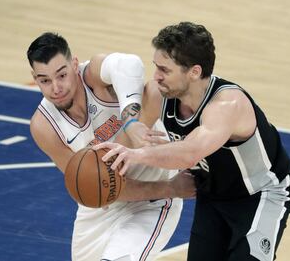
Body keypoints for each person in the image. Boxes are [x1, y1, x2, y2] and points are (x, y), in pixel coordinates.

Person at [99, 22, 290, 261]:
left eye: (165, 70)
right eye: (156, 67)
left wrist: (136, 155)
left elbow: (189, 153)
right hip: (212, 194)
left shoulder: (227, 105)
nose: (156, 77)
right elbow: (128, 136)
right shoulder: (159, 94)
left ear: (193, 72)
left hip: (260, 194)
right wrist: (123, 140)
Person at [27, 32, 195, 261]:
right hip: (102, 203)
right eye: (45, 80)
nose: (56, 87)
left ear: (75, 64)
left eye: (62, 75)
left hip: (153, 196)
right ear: (34, 78)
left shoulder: (95, 77)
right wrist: (173, 189)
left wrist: (131, 121)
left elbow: (130, 64)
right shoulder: (43, 126)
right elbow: (93, 186)